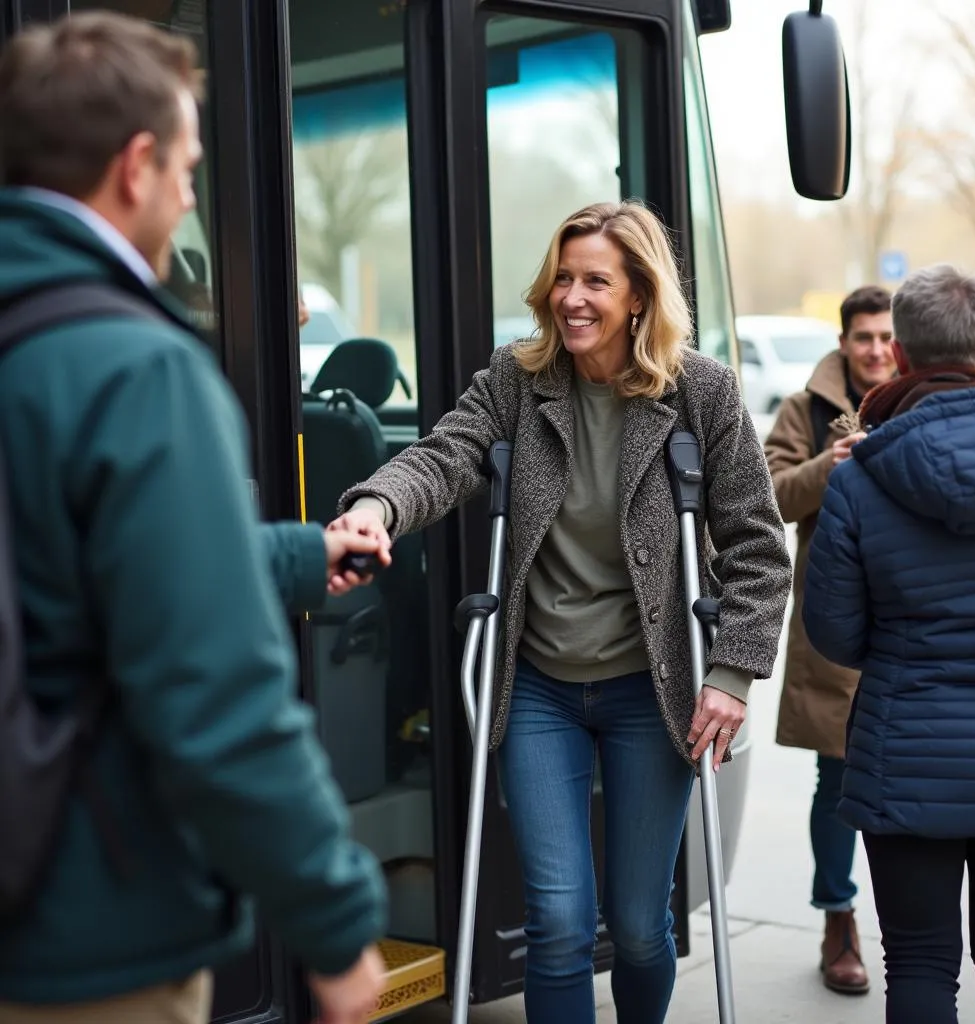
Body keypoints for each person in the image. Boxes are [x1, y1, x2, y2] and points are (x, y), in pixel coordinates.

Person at [0, 13, 390, 1024]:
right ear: (135, 167)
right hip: (83, 931)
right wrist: (336, 919)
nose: (188, 195)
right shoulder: (133, 368)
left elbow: (56, 569)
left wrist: (298, 556)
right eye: (188, 167)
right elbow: (213, 689)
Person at [330, 200, 792, 1023]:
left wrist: (731, 674)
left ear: (641, 297)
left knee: (642, 928)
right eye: (562, 279)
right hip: (539, 687)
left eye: (595, 282)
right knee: (558, 923)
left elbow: (758, 548)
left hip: (652, 695)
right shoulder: (519, 378)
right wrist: (377, 507)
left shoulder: (704, 394)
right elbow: (445, 455)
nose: (571, 298)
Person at [803, 264, 975, 1024]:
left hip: (907, 757)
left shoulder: (860, 478)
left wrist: (901, 646)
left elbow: (833, 631)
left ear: (899, 356)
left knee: (922, 963)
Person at [762, 285, 894, 994]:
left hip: (912, 619)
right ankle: (837, 918)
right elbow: (769, 495)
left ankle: (910, 925)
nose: (876, 349)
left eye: (886, 337)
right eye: (863, 337)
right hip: (839, 623)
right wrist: (830, 463)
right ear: (844, 341)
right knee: (837, 780)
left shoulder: (922, 395)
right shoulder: (806, 410)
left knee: (915, 777)